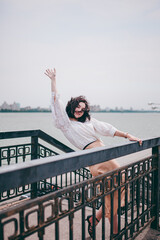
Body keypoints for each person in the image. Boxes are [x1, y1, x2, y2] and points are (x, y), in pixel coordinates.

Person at [45, 68, 142, 238]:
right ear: (71, 106)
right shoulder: (65, 123)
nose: (79, 111)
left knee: (116, 189)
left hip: (103, 154)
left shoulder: (88, 121)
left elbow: (107, 128)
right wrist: (53, 80)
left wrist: (127, 135)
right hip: (95, 158)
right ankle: (113, 231)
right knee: (117, 187)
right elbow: (55, 101)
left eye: (82, 109)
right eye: (77, 107)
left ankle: (96, 220)